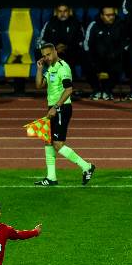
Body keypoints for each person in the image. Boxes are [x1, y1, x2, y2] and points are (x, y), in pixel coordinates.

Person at [33, 43, 96, 186]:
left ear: (55, 51)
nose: (47, 58)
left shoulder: (63, 67)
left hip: (61, 108)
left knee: (58, 144)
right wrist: (39, 69)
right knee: (48, 141)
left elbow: (69, 89)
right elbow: (39, 85)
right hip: (53, 108)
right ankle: (51, 178)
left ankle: (86, 166)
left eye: (49, 54)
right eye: (44, 56)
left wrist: (56, 107)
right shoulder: (51, 68)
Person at [83, 6, 124, 100]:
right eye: (108, 15)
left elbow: (124, 43)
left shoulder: (120, 25)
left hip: (113, 57)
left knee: (122, 62)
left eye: (113, 15)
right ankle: (96, 90)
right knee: (86, 62)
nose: (111, 17)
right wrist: (92, 58)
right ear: (101, 16)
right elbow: (86, 44)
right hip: (97, 58)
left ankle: (107, 91)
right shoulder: (94, 24)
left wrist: (115, 54)